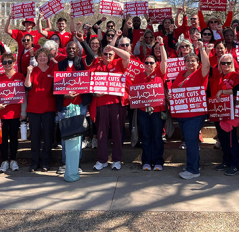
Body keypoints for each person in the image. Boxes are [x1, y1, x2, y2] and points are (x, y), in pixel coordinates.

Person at [56, 33, 95, 181]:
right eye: (69, 48)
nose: (71, 50)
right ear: (66, 50)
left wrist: (82, 41)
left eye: (74, 48)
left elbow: (92, 56)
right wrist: (64, 96)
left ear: (78, 51)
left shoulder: (82, 62)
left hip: (79, 105)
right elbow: (57, 85)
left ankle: (76, 163)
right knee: (66, 135)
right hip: (65, 105)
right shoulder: (60, 64)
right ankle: (66, 163)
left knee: (77, 136)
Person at [171, 41, 210, 179]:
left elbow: (207, 65)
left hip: (195, 114)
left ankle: (193, 170)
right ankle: (193, 164)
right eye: (188, 61)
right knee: (188, 141)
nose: (190, 63)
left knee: (191, 140)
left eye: (193, 61)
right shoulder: (180, 74)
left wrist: (202, 49)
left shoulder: (201, 74)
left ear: (198, 63)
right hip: (182, 114)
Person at [90, 44, 130, 171]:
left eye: (110, 54)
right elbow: (90, 84)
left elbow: (127, 56)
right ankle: (102, 160)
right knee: (101, 133)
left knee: (117, 133)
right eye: (105, 54)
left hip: (116, 104)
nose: (108, 56)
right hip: (101, 104)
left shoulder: (118, 64)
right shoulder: (96, 67)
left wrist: (112, 48)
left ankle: (117, 159)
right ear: (101, 56)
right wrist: (94, 93)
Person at [134, 36, 167, 171]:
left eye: (151, 63)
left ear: (155, 64)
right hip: (142, 111)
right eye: (146, 63)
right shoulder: (138, 76)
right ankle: (146, 161)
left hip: (158, 111)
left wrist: (161, 44)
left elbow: (164, 60)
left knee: (157, 136)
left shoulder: (160, 73)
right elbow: (134, 93)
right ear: (143, 65)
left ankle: (158, 161)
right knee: (146, 136)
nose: (149, 65)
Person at [0, 53, 26, 173]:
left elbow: (23, 96)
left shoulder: (20, 76)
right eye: (4, 62)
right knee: (3, 138)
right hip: (1, 114)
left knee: (14, 138)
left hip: (15, 113)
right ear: (2, 64)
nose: (7, 65)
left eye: (9, 62)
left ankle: (13, 160)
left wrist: (23, 112)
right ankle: (4, 160)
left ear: (14, 63)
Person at [208, 53, 239, 175]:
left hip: (230, 112)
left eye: (228, 63)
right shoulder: (217, 76)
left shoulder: (235, 75)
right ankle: (226, 161)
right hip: (218, 112)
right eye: (223, 63)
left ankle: (235, 164)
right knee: (222, 138)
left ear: (232, 64)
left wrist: (223, 91)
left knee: (231, 139)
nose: (226, 65)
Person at [24, 48, 56, 172]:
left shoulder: (53, 69)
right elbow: (27, 86)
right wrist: (28, 73)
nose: (42, 58)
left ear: (48, 58)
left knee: (48, 136)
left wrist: (54, 60)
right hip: (33, 109)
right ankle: (34, 162)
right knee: (35, 137)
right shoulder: (33, 70)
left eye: (45, 56)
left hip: (48, 108)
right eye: (40, 56)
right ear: (36, 58)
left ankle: (46, 162)